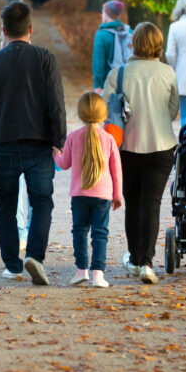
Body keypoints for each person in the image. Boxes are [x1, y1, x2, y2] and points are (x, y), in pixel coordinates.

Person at [0, 1, 67, 284]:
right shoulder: (45, 58)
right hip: (39, 143)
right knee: (42, 201)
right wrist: (58, 138)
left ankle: (12, 264)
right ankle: (35, 254)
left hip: (4, 144)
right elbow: (55, 103)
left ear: (3, 30)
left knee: (6, 206)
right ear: (31, 29)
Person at [103, 22, 178, 285]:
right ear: (158, 44)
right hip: (161, 147)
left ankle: (135, 259)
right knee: (152, 203)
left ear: (133, 43)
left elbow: (106, 111)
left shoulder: (118, 74)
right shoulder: (168, 73)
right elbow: (172, 111)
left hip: (126, 148)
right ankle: (147, 261)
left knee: (133, 204)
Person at [54, 91, 123, 288]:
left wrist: (55, 154)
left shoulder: (74, 137)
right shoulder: (109, 139)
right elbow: (116, 170)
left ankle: (81, 271)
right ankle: (98, 275)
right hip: (103, 196)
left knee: (79, 231)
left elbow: (63, 163)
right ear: (104, 115)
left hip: (79, 195)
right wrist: (117, 195)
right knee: (100, 233)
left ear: (81, 113)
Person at [91, 0, 133, 91]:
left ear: (106, 14)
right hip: (129, 84)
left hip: (108, 85)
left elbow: (99, 63)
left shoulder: (101, 35)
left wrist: (98, 84)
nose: (101, 15)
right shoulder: (130, 32)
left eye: (102, 12)